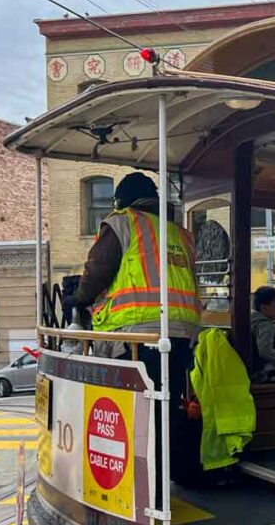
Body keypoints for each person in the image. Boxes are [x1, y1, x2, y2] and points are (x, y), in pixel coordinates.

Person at [73, 171, 201, 486]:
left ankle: (142, 488)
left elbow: (97, 272)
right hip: (182, 334)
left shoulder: (122, 223)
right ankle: (165, 477)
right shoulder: (179, 233)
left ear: (121, 200)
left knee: (136, 414)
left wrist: (77, 299)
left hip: (138, 336)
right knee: (166, 408)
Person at [250, 286, 275, 383]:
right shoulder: (265, 324)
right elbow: (265, 351)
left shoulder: (251, 319)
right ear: (264, 307)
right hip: (259, 373)